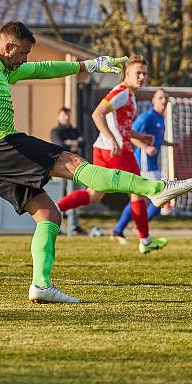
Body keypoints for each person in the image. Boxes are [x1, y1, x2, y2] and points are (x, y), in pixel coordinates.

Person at [0, 22, 192, 304]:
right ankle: (154, 188)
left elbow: (45, 69)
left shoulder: (5, 66)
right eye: (23, 53)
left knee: (48, 215)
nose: (25, 60)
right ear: (9, 47)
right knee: (72, 163)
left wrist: (91, 65)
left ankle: (41, 286)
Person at [57, 56, 172, 255]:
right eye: (138, 72)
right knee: (138, 192)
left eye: (144, 73)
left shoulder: (130, 94)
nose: (142, 76)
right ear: (127, 74)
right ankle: (145, 240)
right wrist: (112, 140)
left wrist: (140, 136)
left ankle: (56, 208)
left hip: (105, 149)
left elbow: (121, 125)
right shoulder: (122, 92)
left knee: (94, 195)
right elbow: (97, 114)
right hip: (117, 151)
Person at [111, 89, 177, 244]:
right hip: (144, 163)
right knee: (166, 193)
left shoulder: (161, 118)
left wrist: (170, 144)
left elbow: (156, 139)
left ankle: (119, 230)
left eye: (166, 97)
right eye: (160, 97)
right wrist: (146, 148)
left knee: (138, 198)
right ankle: (141, 224)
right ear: (153, 100)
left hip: (153, 164)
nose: (164, 100)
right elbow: (130, 135)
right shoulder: (146, 117)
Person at [50, 107, 87, 235]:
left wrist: (72, 142)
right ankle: (56, 226)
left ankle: (74, 225)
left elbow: (83, 141)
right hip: (60, 168)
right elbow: (59, 144)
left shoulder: (74, 130)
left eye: (68, 115)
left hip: (75, 168)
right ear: (59, 116)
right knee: (59, 197)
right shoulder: (55, 131)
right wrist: (72, 143)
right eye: (63, 115)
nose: (66, 117)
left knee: (74, 195)